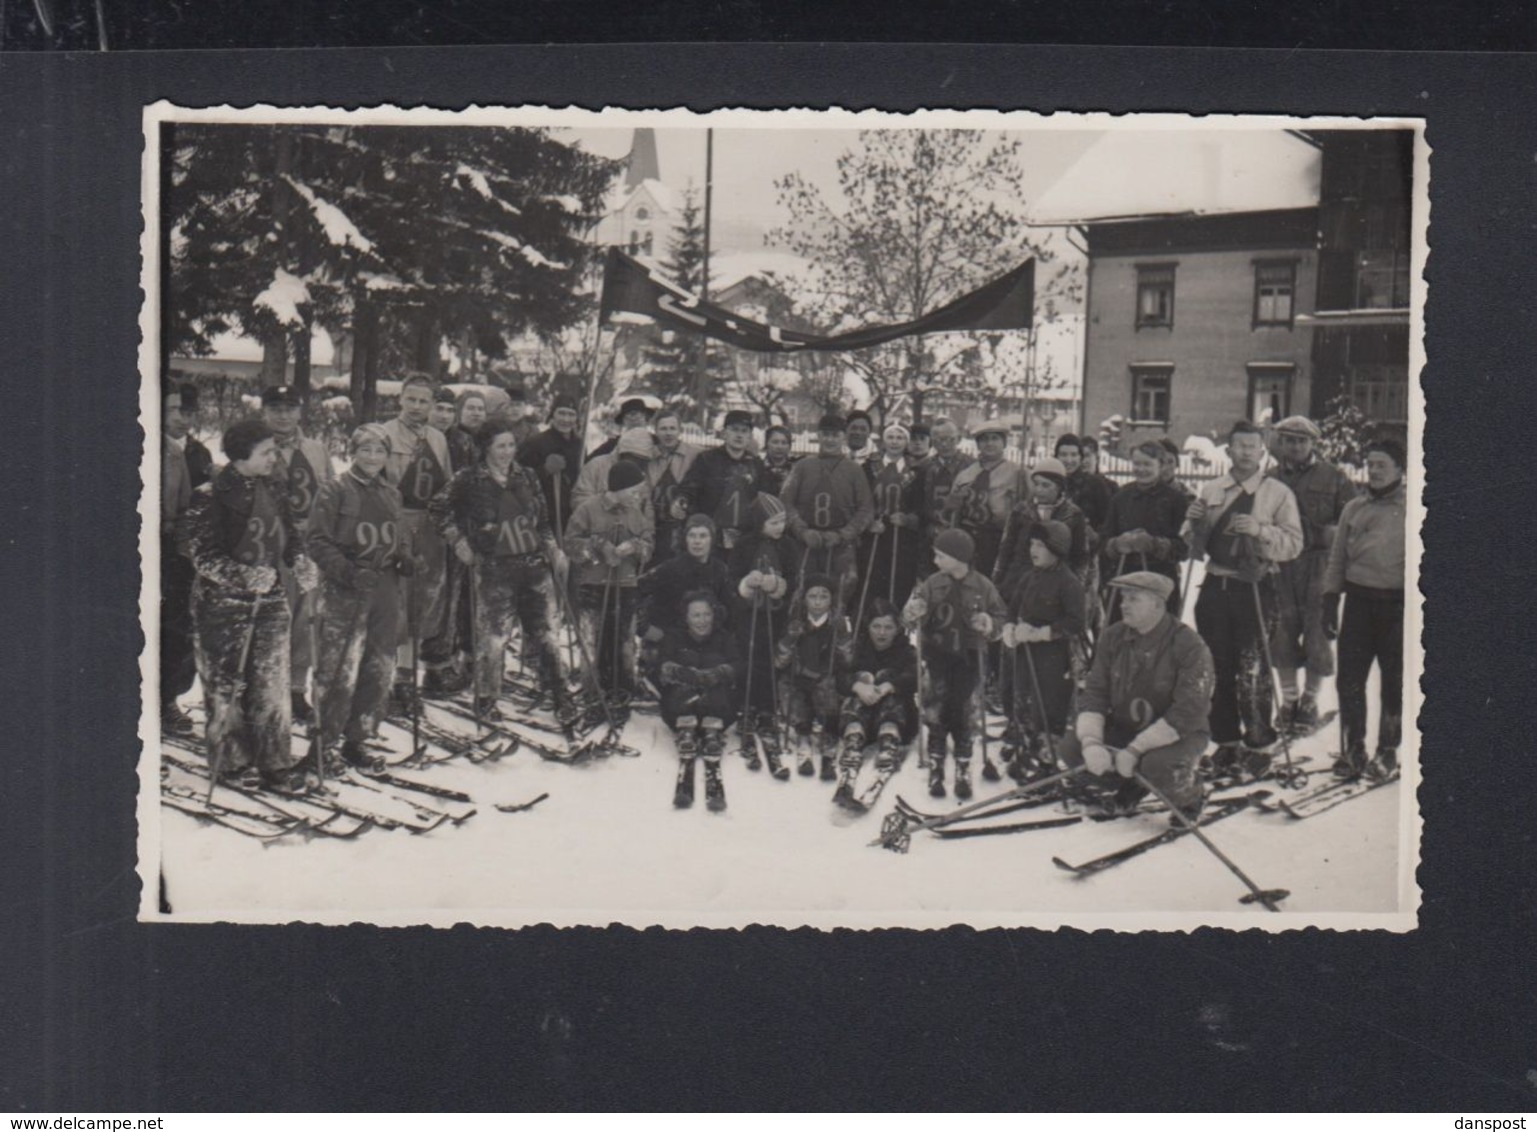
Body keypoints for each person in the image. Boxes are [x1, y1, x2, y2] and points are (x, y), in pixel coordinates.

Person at [184, 418, 318, 792]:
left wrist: (300, 562)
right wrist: (242, 576)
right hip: (223, 603)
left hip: (271, 597)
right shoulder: (209, 495)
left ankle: (275, 761)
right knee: (227, 685)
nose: (275, 458)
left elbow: (289, 538)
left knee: (272, 681)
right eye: (267, 452)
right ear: (242, 455)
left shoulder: (274, 488)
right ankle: (230, 762)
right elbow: (202, 556)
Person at [431, 416, 576, 725]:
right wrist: (458, 541)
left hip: (534, 566)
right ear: (486, 448)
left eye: (511, 445)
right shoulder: (469, 479)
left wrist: (552, 548)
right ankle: (486, 698)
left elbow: (543, 521)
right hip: (494, 568)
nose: (507, 452)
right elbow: (438, 508)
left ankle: (559, 692)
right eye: (500, 446)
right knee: (493, 637)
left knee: (548, 633)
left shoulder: (528, 477)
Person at [1182, 420, 1304, 778]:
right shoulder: (1211, 488)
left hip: (1256, 587)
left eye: (1253, 446)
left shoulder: (1277, 493)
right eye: (1240, 445)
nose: (1246, 452)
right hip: (1215, 586)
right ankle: (1226, 743)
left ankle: (1258, 743)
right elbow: (1192, 545)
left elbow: (1294, 544)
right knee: (1216, 668)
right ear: (1229, 450)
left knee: (1253, 669)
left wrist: (1259, 531)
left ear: (1262, 451)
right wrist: (1193, 523)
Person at [1056, 571, 1215, 822]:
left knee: (1157, 766)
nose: (1123, 605)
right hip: (1126, 727)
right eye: (1123, 598)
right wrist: (1091, 742)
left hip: (1178, 734)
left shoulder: (1189, 645)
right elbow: (1095, 691)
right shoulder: (1113, 637)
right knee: (1071, 747)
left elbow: (1190, 710)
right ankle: (1130, 784)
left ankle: (1190, 794)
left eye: (1133, 599)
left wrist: (1136, 749)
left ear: (1157, 604)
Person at [305, 424, 410, 775]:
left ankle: (358, 739)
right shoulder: (334, 490)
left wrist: (405, 557)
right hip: (346, 591)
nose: (373, 457)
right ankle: (323, 744)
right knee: (338, 670)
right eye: (365, 450)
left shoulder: (391, 493)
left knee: (379, 667)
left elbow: (397, 537)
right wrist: (348, 572)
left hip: (384, 590)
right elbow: (317, 541)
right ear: (353, 451)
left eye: (380, 451)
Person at [1267, 415, 1359, 733]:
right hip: (1280, 565)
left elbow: (1353, 522)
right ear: (1280, 443)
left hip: (1319, 564)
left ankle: (1309, 699)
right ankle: (1289, 699)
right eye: (1289, 440)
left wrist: (1322, 534)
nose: (1295, 446)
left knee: (1318, 630)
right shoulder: (1269, 479)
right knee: (1281, 629)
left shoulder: (1333, 478)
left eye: (1301, 441)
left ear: (1312, 444)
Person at [1322, 438, 1406, 781]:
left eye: (1381, 465)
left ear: (1400, 469)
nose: (1373, 471)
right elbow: (1338, 556)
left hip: (1398, 607)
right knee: (1350, 681)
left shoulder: (1413, 508)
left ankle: (1387, 752)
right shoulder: (1354, 508)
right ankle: (1353, 750)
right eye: (1370, 464)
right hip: (1358, 603)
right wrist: (1330, 599)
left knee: (1394, 682)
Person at [901, 528, 1006, 800]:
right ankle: (936, 759)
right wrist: (913, 613)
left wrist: (989, 623)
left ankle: (963, 761)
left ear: (959, 558)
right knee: (935, 704)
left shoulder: (983, 586)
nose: (935, 561)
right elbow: (911, 615)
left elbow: (1000, 617)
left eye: (940, 556)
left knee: (965, 706)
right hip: (938, 652)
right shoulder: (933, 584)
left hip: (970, 656)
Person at [379, 373, 458, 706]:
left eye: (423, 401)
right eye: (411, 399)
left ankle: (407, 677)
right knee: (394, 601)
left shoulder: (438, 439)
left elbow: (447, 487)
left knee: (422, 604)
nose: (416, 406)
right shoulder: (383, 434)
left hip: (429, 527)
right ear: (400, 399)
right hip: (395, 522)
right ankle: (383, 677)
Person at [261, 384, 336, 725]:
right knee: (273, 616)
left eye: (290, 408)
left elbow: (331, 492)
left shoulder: (316, 449)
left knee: (307, 618)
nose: (283, 415)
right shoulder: (257, 447)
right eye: (276, 408)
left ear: (300, 412)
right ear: (265, 412)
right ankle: (265, 688)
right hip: (271, 545)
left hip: (311, 544)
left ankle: (294, 688)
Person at [999, 520, 1085, 782]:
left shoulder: (1069, 583)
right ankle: (1026, 748)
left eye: (1040, 545)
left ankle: (1047, 760)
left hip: (1054, 658)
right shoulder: (1029, 576)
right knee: (1023, 698)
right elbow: (1013, 607)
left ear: (1056, 550)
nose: (1033, 550)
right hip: (1026, 654)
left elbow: (1075, 622)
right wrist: (1010, 627)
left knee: (1049, 706)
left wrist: (1042, 633)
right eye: (1032, 544)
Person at [564, 459, 655, 703]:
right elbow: (570, 543)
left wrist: (635, 547)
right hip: (593, 583)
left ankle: (623, 685)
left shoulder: (636, 513)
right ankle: (592, 688)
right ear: (619, 489)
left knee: (624, 638)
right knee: (592, 638)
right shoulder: (588, 509)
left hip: (625, 584)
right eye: (634, 491)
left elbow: (648, 545)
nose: (638, 495)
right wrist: (597, 546)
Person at [780, 413, 875, 608]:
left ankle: (835, 632)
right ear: (819, 436)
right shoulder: (802, 466)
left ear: (843, 437)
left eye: (836, 435)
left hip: (840, 544)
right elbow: (786, 503)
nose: (830, 440)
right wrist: (801, 530)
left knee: (841, 590)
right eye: (826, 434)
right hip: (806, 542)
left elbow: (866, 509)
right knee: (802, 591)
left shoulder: (854, 470)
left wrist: (843, 534)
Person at [657, 592, 742, 811]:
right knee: (680, 690)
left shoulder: (724, 637)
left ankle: (712, 733)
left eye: (706, 614)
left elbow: (738, 665)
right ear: (686, 617)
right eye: (696, 615)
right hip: (683, 699)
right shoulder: (674, 637)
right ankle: (685, 731)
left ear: (714, 615)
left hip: (715, 700)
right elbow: (661, 665)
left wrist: (719, 673)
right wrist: (679, 672)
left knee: (718, 685)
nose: (702, 620)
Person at [833, 598, 918, 807]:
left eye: (888, 627)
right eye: (876, 626)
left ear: (897, 628)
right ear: (868, 626)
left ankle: (889, 745)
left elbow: (915, 678)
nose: (882, 633)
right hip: (862, 716)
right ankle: (852, 747)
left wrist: (891, 685)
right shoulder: (856, 648)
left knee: (887, 679)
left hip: (894, 716)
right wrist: (857, 686)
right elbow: (839, 676)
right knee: (862, 678)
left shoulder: (906, 651)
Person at [160, 383, 210, 736]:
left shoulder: (199, 454)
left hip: (181, 551)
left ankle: (166, 699)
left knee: (178, 625)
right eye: (175, 409)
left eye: (189, 412)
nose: (181, 418)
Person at [728, 492, 796, 750]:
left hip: (776, 613)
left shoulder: (788, 546)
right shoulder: (744, 545)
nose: (780, 527)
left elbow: (794, 576)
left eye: (782, 521)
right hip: (748, 614)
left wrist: (778, 584)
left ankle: (768, 707)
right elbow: (732, 576)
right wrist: (747, 582)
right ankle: (746, 706)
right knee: (748, 655)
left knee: (769, 658)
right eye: (774, 522)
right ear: (759, 523)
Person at [775, 573, 855, 780]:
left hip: (824, 681)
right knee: (794, 701)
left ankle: (828, 750)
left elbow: (847, 661)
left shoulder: (837, 625)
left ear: (831, 600)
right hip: (798, 679)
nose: (818, 602)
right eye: (812, 596)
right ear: (804, 599)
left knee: (828, 697)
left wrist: (843, 639)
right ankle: (803, 744)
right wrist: (791, 637)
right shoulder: (796, 622)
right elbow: (779, 661)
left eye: (823, 597)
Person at [1100, 441, 1190, 615]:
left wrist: (1154, 544)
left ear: (1161, 465)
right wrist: (1117, 544)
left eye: (1147, 464)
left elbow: (1184, 548)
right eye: (1137, 463)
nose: (1141, 469)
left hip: (1160, 578)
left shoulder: (1175, 500)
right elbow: (1103, 542)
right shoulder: (1121, 497)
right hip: (1125, 578)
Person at [674, 409, 770, 559]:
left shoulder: (756, 465)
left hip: (744, 538)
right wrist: (682, 500)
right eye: (734, 430)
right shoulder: (707, 459)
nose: (739, 435)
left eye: (744, 431)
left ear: (750, 436)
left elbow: (765, 498)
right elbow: (689, 488)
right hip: (713, 537)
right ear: (724, 433)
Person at [993, 456, 1088, 605]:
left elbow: (1080, 557)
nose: (1039, 490)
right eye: (1036, 484)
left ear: (1059, 487)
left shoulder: (1073, 515)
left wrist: (1076, 591)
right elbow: (1005, 549)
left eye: (1046, 485)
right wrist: (997, 582)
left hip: (1056, 586)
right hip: (1018, 583)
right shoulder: (1021, 511)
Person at [858, 422, 926, 616]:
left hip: (902, 536)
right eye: (891, 437)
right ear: (883, 440)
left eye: (900, 438)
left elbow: (921, 506)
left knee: (898, 583)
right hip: (875, 534)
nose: (895, 442)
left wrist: (907, 519)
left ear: (906, 442)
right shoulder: (870, 466)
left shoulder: (916, 470)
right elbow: (861, 500)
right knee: (871, 583)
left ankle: (895, 628)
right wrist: (869, 522)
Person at [637, 513, 734, 648]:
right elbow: (633, 592)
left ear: (712, 539)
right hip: (669, 641)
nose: (697, 541)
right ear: (685, 539)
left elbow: (730, 607)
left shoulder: (720, 570)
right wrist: (644, 628)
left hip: (706, 644)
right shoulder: (669, 568)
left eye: (703, 536)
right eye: (692, 535)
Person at [943, 420, 1023, 579]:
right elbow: (951, 513)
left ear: (1004, 443)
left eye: (995, 438)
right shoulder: (966, 475)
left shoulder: (1017, 474)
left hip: (1000, 540)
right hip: (969, 539)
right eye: (984, 439)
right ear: (978, 444)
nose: (990, 443)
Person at [517, 392, 584, 541]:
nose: (566, 419)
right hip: (545, 512)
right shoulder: (536, 443)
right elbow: (518, 478)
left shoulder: (580, 444)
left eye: (571, 414)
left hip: (572, 511)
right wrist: (545, 470)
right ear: (552, 415)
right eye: (561, 413)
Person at [647, 408, 702, 566]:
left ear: (680, 430)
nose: (668, 433)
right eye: (663, 429)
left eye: (672, 428)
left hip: (680, 527)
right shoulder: (649, 456)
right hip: (652, 524)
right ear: (656, 431)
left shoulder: (696, 455)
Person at [571, 426, 657, 515]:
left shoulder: (643, 474)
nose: (636, 463)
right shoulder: (596, 465)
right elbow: (580, 498)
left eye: (642, 460)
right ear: (622, 453)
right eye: (633, 457)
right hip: (596, 524)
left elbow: (646, 507)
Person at [588, 396, 654, 461]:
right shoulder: (613, 444)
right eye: (626, 416)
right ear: (623, 422)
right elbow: (590, 460)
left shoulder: (656, 441)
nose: (632, 418)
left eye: (634, 414)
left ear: (645, 416)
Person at [446, 389, 488, 473]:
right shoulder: (452, 438)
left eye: (480, 409)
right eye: (470, 408)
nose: (476, 413)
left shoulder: (487, 438)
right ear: (459, 412)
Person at [760, 424, 799, 498]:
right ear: (767, 444)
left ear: (789, 446)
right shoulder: (758, 468)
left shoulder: (796, 470)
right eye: (775, 442)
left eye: (784, 443)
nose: (779, 447)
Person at [1157, 436, 1196, 503]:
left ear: (1177, 463)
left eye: (1170, 462)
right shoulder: (1141, 492)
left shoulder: (1186, 495)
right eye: (1161, 462)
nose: (1165, 468)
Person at [502, 385, 540, 450]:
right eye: (511, 405)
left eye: (518, 405)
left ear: (525, 407)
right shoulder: (494, 428)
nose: (515, 409)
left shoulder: (532, 431)